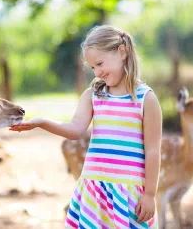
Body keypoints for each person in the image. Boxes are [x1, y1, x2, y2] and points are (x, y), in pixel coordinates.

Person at [10, 25, 162, 229]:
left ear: (122, 52)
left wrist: (150, 194)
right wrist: (42, 122)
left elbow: (153, 151)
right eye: (92, 68)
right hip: (94, 192)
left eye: (100, 64)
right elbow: (75, 130)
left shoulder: (147, 99)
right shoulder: (93, 95)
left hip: (128, 195)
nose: (98, 73)